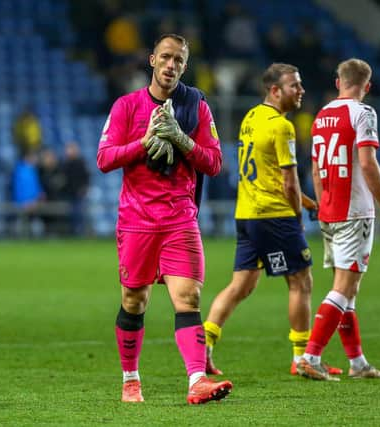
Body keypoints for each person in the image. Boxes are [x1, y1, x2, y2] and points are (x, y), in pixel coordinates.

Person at [96, 33, 232, 404]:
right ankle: (130, 380)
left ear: (185, 67)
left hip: (179, 219)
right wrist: (144, 142)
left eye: (179, 61)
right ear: (152, 59)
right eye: (166, 58)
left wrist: (181, 138)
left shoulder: (197, 108)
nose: (172, 65)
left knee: (188, 297)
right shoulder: (126, 106)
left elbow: (215, 163)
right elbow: (105, 158)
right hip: (137, 220)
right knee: (134, 301)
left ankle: (197, 381)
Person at [203, 63, 341, 378]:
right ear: (275, 91)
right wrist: (297, 215)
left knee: (241, 285)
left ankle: (205, 345)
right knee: (301, 282)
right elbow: (288, 182)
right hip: (274, 216)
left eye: (301, 84)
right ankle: (303, 357)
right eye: (295, 85)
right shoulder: (282, 127)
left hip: (247, 215)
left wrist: (308, 203)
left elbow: (269, 176)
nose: (301, 91)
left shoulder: (250, 118)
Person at [297, 58, 380, 381]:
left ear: (338, 81)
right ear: (366, 86)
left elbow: (314, 168)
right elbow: (367, 164)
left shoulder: (320, 116)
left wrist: (321, 201)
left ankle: (357, 363)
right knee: (345, 288)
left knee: (347, 291)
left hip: (329, 209)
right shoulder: (364, 113)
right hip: (355, 211)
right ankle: (310, 356)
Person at [62, 142, 90, 236]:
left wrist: (83, 189)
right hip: (68, 194)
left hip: (78, 194)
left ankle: (79, 232)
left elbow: (86, 177)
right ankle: (72, 231)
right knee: (71, 213)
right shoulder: (65, 164)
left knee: (78, 213)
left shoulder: (81, 163)